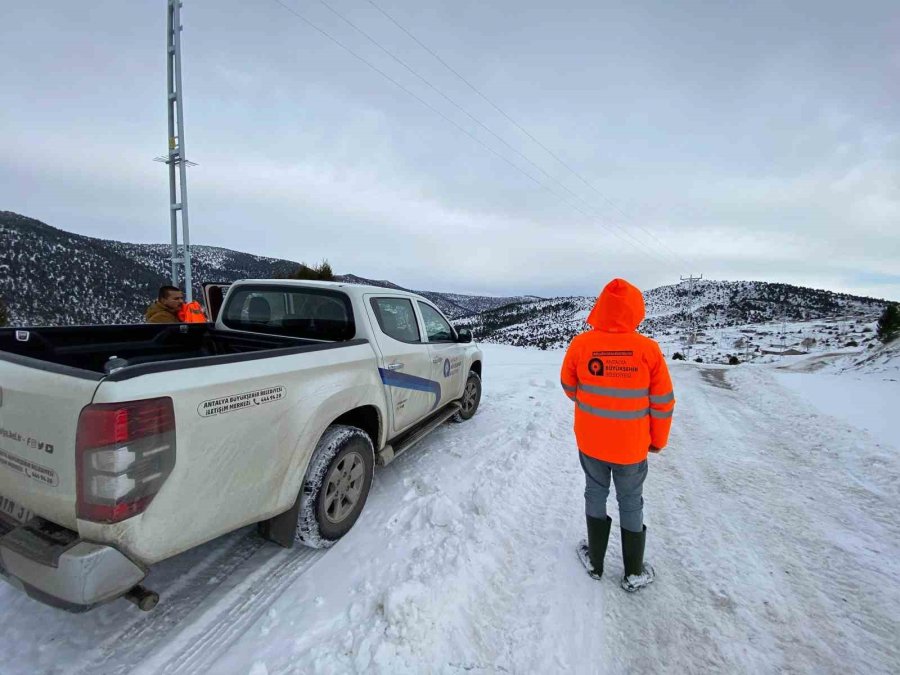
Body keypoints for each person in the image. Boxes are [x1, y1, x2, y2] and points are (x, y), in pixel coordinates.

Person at [561, 278, 675, 592]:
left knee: (595, 492)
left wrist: (591, 402)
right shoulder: (648, 350)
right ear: (635, 310)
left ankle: (595, 563)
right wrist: (658, 439)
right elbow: (663, 402)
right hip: (631, 447)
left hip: (591, 442)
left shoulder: (582, 345)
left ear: (601, 307)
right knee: (631, 500)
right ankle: (633, 571)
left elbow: (569, 385)